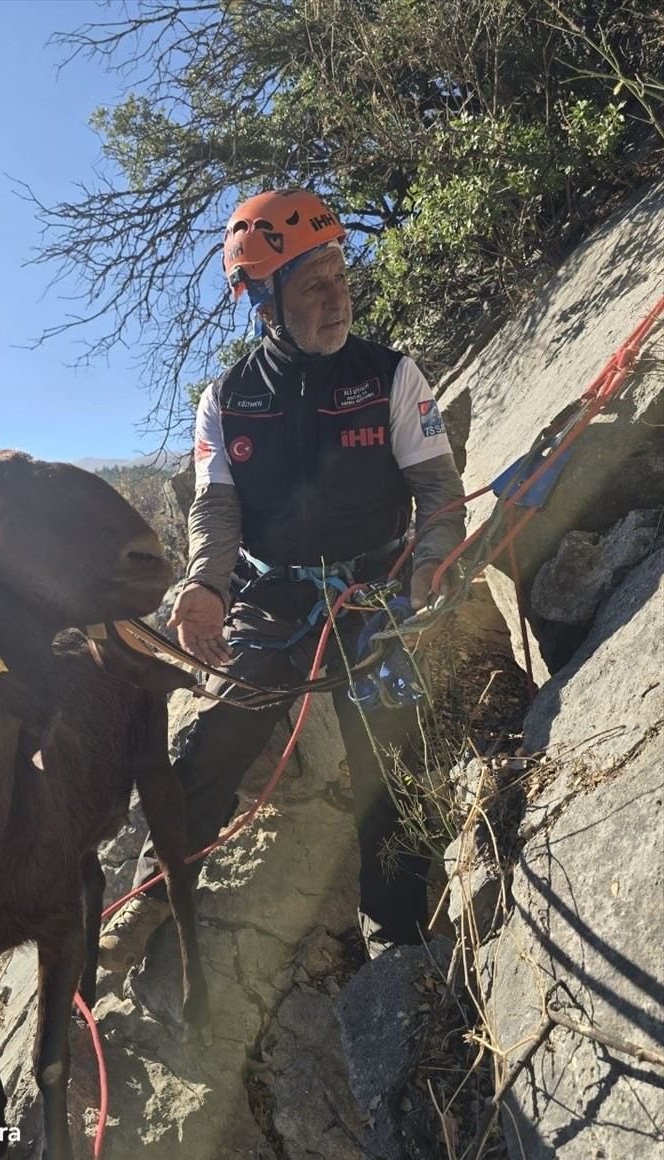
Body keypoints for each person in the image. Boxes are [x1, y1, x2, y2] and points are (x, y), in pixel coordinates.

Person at [99, 188, 465, 969]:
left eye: (339, 275)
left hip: (380, 582)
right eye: (312, 287)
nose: (337, 299)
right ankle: (157, 895)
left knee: (390, 750)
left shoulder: (393, 377)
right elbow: (217, 510)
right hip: (277, 593)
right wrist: (205, 584)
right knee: (220, 728)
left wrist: (433, 561)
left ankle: (398, 932)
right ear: (263, 303)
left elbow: (437, 490)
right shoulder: (228, 402)